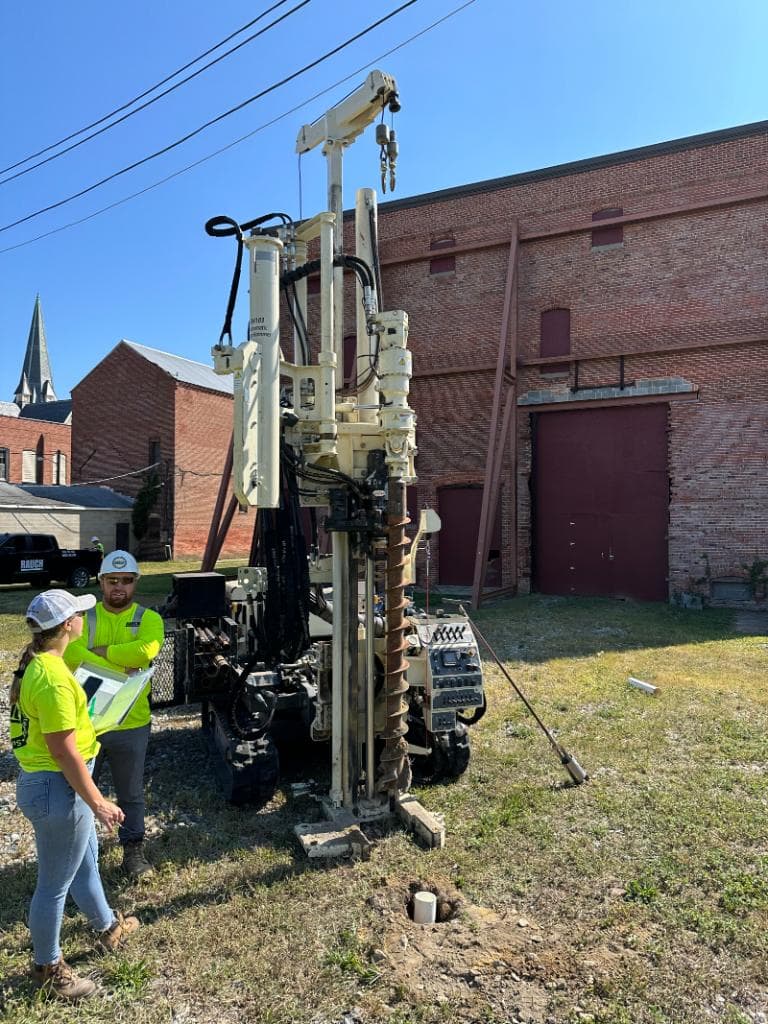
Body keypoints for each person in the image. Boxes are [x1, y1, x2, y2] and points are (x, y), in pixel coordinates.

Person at [10, 589, 139, 1001]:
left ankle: (107, 927)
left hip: (50, 786)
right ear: (68, 625)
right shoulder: (52, 677)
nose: (86, 616)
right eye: (81, 613)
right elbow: (62, 750)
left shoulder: (42, 665)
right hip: (57, 788)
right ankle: (48, 968)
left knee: (82, 864)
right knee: (53, 884)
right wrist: (98, 800)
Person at [64, 550, 164, 878]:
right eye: (111, 581)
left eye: (125, 581)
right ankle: (79, 856)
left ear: (135, 583)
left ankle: (133, 852)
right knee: (78, 793)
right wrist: (123, 661)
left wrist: (99, 653)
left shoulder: (150, 619)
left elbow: (145, 651)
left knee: (131, 793)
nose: (118, 587)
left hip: (130, 724)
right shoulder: (84, 617)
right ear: (101, 582)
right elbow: (71, 656)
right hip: (85, 725)